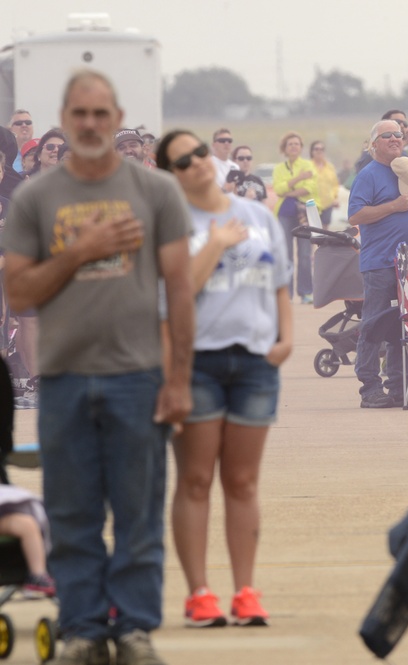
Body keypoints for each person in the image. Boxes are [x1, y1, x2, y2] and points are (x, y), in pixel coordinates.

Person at [2, 69, 194, 665]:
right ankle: (83, 628)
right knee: (72, 509)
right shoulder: (37, 198)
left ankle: (134, 629)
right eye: (78, 114)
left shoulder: (154, 192)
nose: (89, 124)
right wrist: (80, 251)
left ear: (116, 120)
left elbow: (179, 289)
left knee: (137, 509)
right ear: (66, 117)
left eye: (100, 114)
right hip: (62, 378)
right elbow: (19, 293)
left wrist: (180, 379)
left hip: (138, 375)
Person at [156, 129, 292, 630]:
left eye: (197, 153)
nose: (195, 164)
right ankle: (199, 593)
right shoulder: (171, 224)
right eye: (181, 161)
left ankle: (246, 590)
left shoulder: (255, 214)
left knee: (242, 480)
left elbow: (279, 280)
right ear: (170, 175)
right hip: (199, 364)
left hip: (255, 362)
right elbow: (175, 295)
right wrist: (212, 244)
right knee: (194, 479)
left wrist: (286, 337)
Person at [349, 120, 408, 409]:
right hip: (380, 262)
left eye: (399, 134)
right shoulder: (369, 174)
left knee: (403, 325)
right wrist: (393, 206)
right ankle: (369, 387)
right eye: (387, 135)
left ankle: (398, 385)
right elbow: (356, 215)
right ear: (374, 144)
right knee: (374, 323)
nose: (395, 138)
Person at [272, 131, 317, 304]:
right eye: (290, 144)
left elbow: (310, 187)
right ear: (285, 148)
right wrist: (299, 178)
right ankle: (287, 292)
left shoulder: (308, 165)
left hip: (303, 213)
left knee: (305, 254)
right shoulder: (279, 168)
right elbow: (278, 190)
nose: (293, 147)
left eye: (297, 144)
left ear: (301, 147)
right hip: (284, 213)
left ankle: (306, 291)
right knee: (287, 254)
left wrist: (289, 191)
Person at [310, 140, 340, 229]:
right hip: (312, 204)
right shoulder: (307, 166)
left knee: (325, 229)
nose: (319, 151)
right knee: (313, 229)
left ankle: (322, 243)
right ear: (312, 151)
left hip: (327, 203)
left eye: (322, 149)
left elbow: (335, 184)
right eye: (316, 149)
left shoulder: (330, 167)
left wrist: (335, 198)